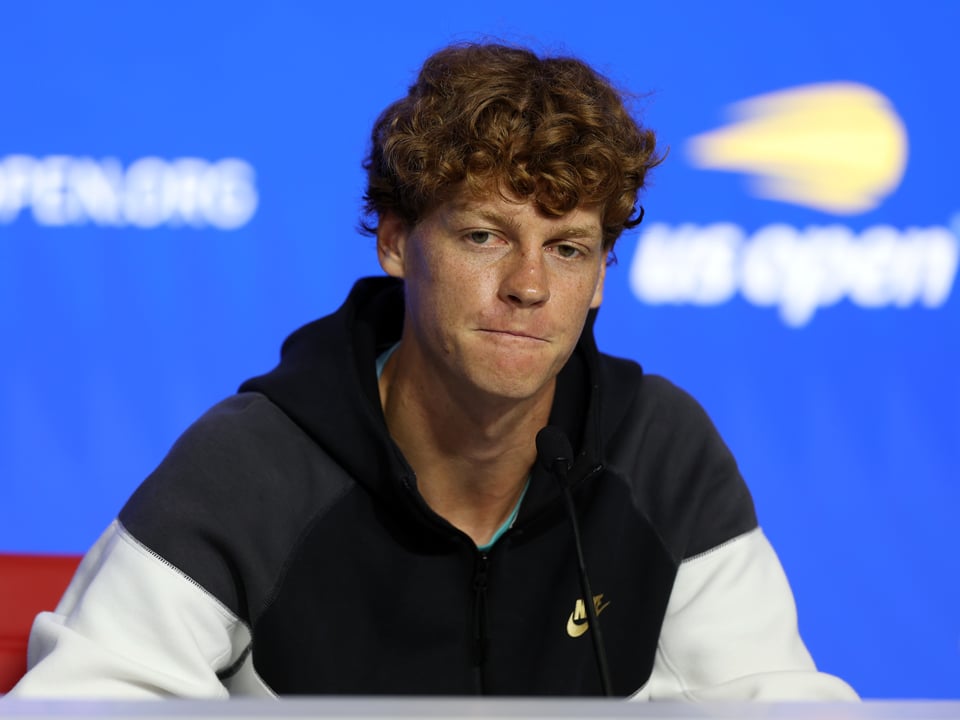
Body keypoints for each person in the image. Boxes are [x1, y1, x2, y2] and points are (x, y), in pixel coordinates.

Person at [9, 42, 857, 700]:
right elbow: (81, 701)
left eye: (567, 249)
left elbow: (777, 703)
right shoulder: (254, 464)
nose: (527, 285)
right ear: (394, 240)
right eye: (483, 235)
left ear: (600, 278)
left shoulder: (660, 453)